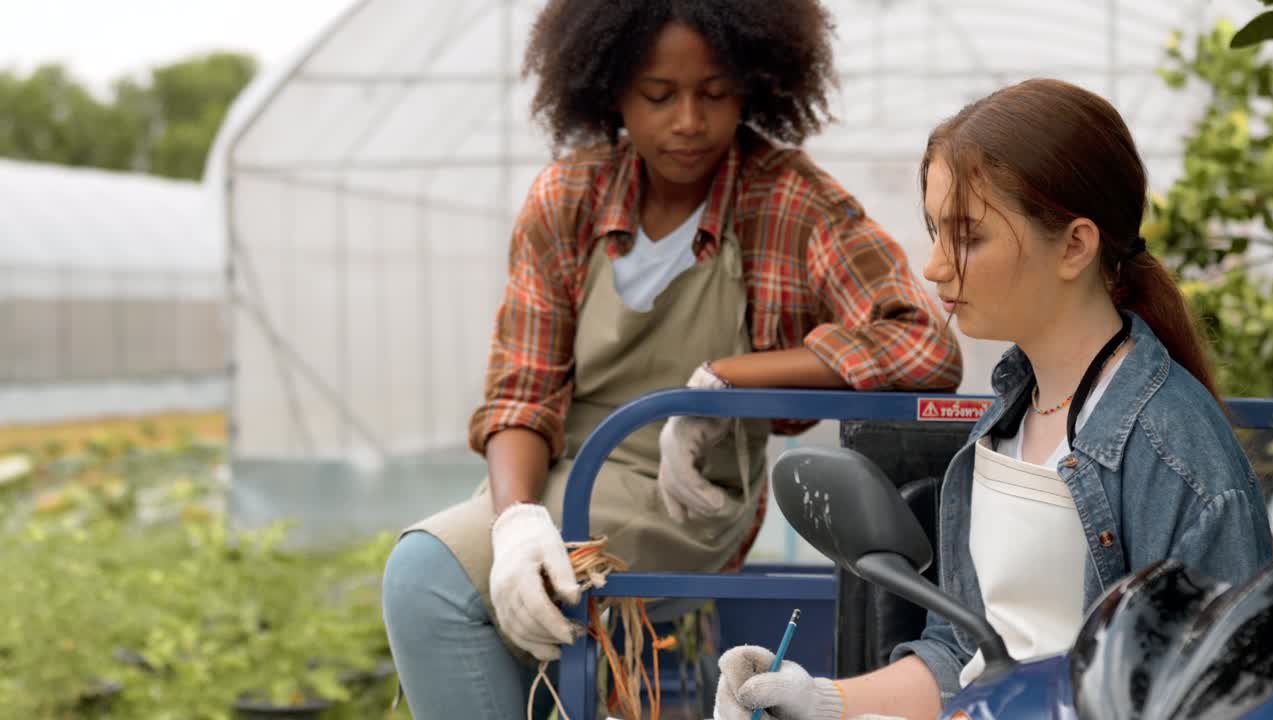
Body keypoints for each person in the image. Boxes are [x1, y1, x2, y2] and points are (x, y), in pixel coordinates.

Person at [380, 0, 963, 717]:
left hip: (685, 497)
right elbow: (520, 395)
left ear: (755, 85)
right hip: (572, 474)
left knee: (426, 577)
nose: (689, 120)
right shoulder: (569, 197)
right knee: (486, 591)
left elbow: (921, 343)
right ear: (610, 89)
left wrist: (726, 381)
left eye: (715, 94)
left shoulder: (783, 199)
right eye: (659, 96)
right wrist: (516, 522)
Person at [713, 78, 1273, 720]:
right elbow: (969, 657)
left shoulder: (1177, 453)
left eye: (968, 236)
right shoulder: (1005, 421)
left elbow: (1224, 695)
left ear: (1074, 245)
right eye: (934, 229)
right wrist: (817, 697)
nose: (932, 266)